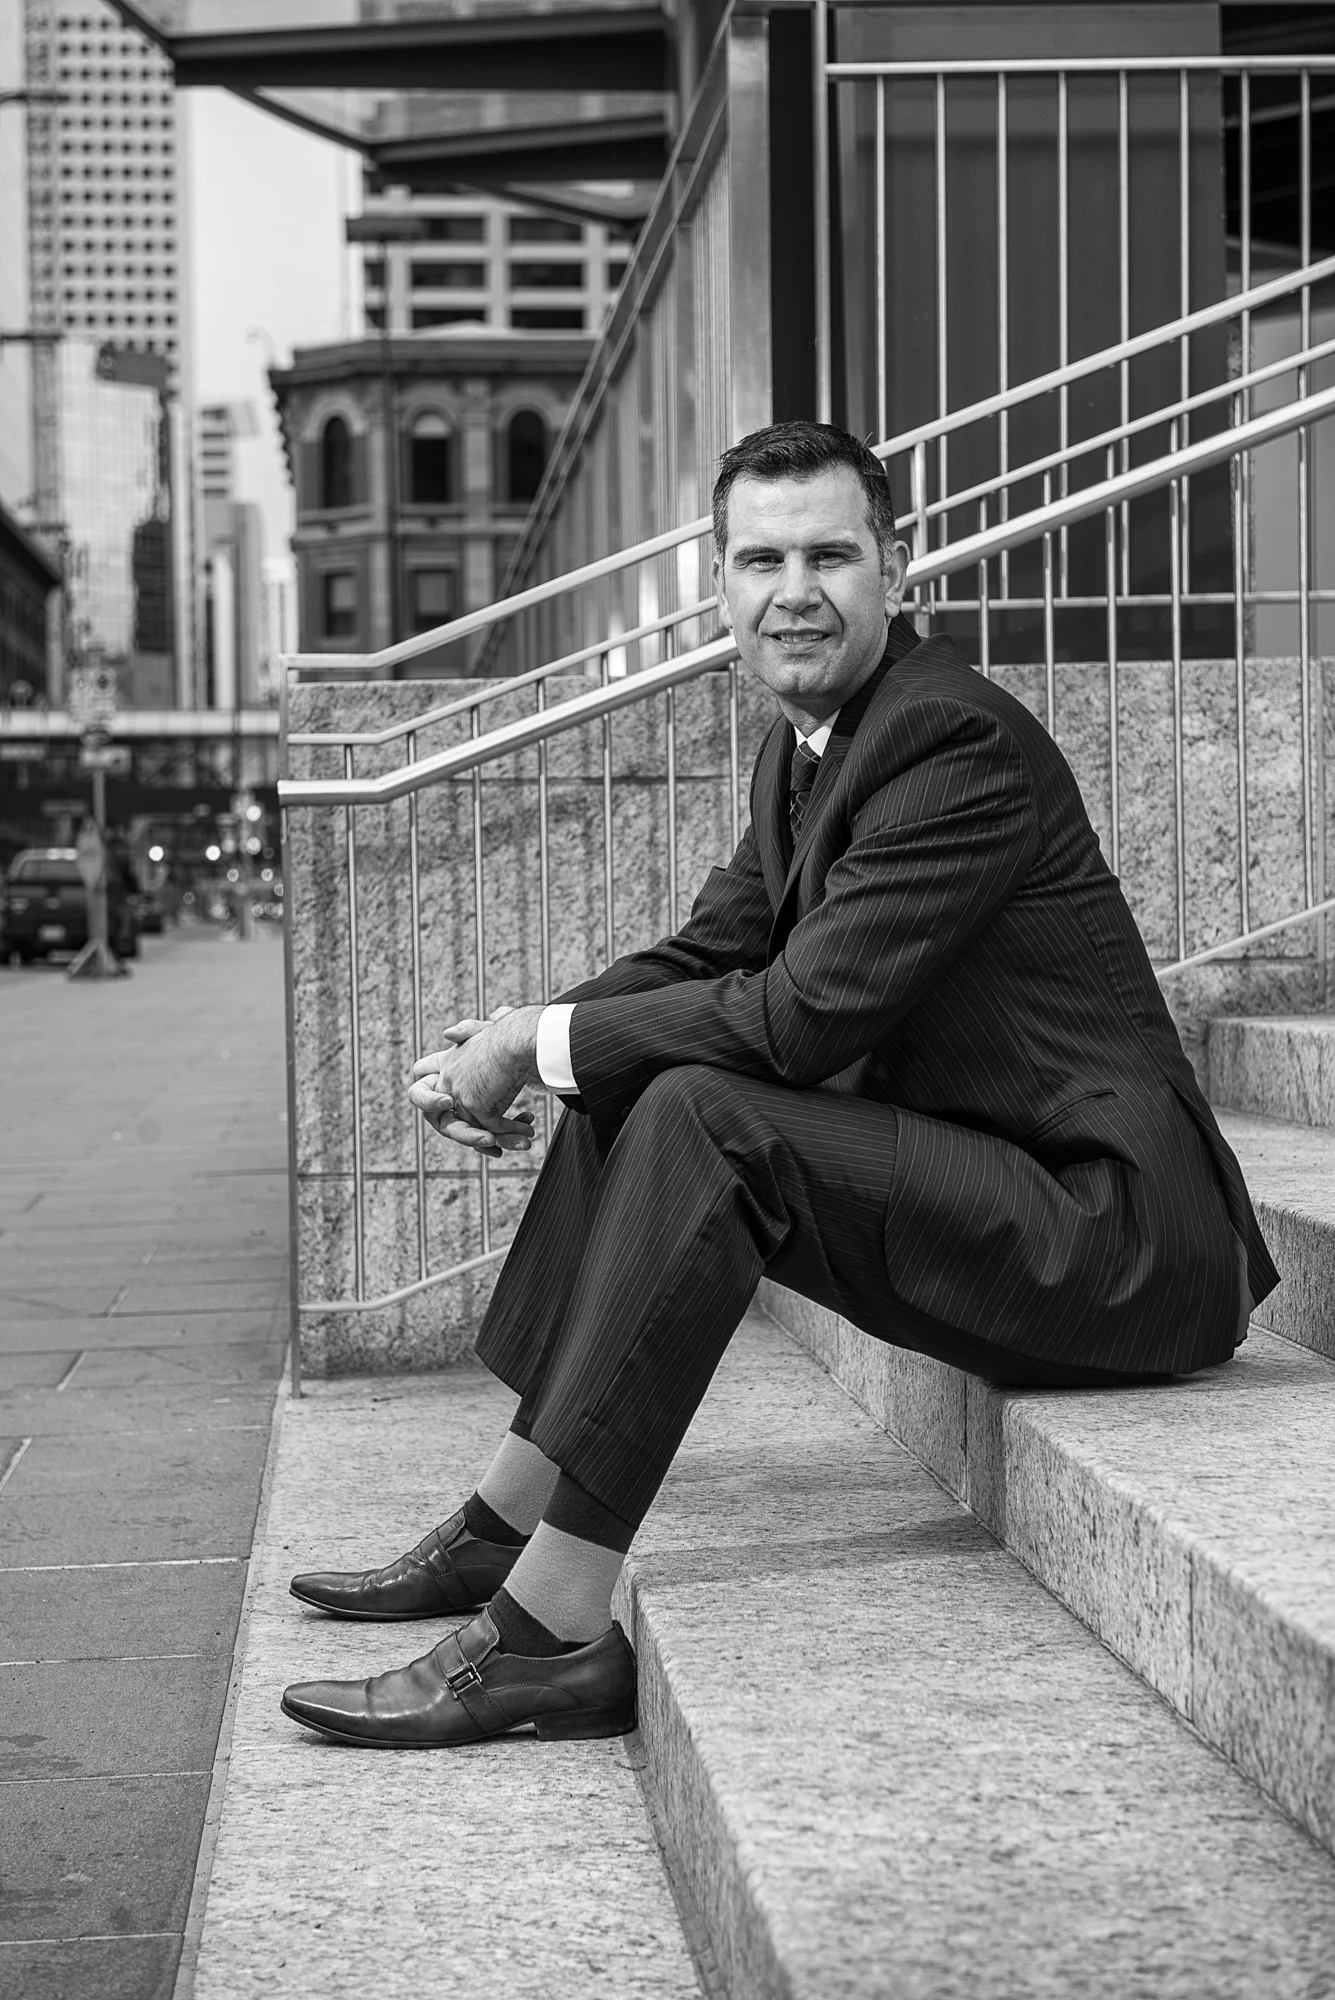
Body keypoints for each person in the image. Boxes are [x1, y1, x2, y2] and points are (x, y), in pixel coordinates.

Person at [281, 421, 1277, 1750]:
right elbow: (708, 955)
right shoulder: (814, 743)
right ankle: (501, 1525)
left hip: (1118, 1246)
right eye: (760, 557)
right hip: (1009, 1197)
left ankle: (545, 1635)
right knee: (640, 1068)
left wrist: (531, 1043)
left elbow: (803, 1019)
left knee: (705, 1108)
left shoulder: (949, 743)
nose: (791, 588)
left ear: (896, 568)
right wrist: (523, 1032)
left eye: (828, 554)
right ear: (718, 584)